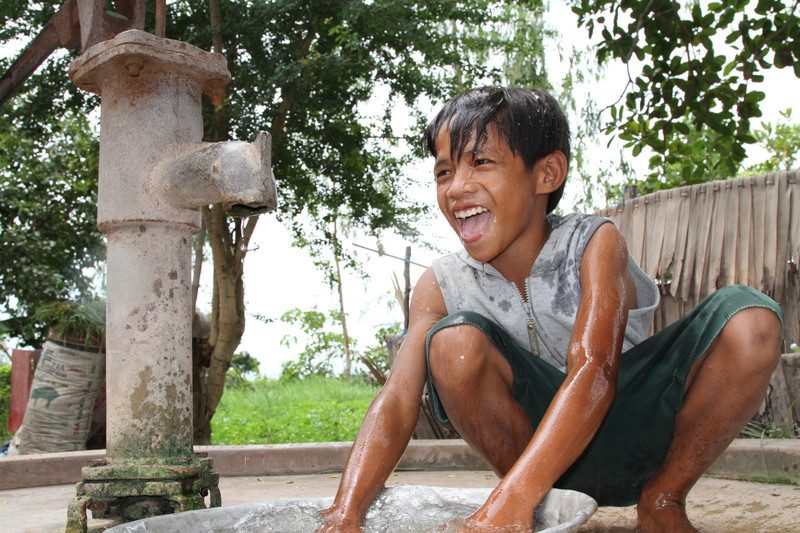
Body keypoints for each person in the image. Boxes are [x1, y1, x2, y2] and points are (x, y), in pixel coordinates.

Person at [318, 87, 783, 532]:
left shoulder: (593, 242)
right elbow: (398, 401)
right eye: (443, 172)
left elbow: (594, 370)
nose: (457, 187)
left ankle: (662, 501)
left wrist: (503, 504)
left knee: (750, 320)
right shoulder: (442, 284)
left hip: (637, 422)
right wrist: (344, 513)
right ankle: (536, 504)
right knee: (452, 344)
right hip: (535, 459)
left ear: (547, 174)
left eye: (481, 161)